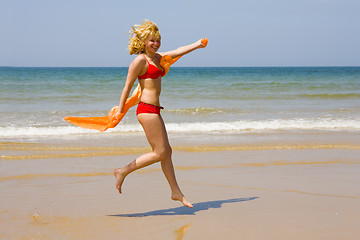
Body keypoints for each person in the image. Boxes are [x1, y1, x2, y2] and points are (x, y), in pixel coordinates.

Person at [114, 20, 206, 208]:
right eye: (152, 40)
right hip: (146, 110)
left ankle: (176, 192)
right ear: (143, 41)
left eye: (158, 40)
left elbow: (179, 51)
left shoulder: (157, 58)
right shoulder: (139, 61)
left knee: (167, 152)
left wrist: (197, 45)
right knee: (160, 152)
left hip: (155, 110)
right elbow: (127, 86)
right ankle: (123, 171)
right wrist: (120, 109)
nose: (155, 43)